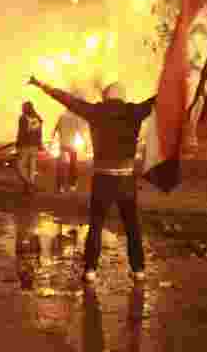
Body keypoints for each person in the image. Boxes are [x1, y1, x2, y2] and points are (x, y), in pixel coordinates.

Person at [29, 77, 155, 283]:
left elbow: (67, 100)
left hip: (103, 178)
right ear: (123, 96)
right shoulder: (135, 111)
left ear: (106, 97)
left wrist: (43, 86)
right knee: (132, 226)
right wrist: (179, 82)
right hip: (125, 179)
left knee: (96, 225)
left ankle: (90, 270)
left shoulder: (95, 111)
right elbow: (159, 100)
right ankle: (138, 269)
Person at [54, 105, 86, 193]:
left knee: (61, 166)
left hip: (63, 144)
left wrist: (53, 140)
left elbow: (56, 130)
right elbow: (80, 131)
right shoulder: (75, 118)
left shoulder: (61, 117)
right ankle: (72, 185)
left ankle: (60, 187)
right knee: (73, 165)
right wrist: (85, 142)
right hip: (72, 145)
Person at [15, 102, 44, 194]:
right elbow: (40, 133)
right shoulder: (38, 118)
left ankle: (30, 184)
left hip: (25, 146)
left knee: (19, 167)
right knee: (31, 169)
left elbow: (21, 133)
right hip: (34, 146)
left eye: (23, 107)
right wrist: (40, 144)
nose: (22, 109)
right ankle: (29, 188)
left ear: (26, 108)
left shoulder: (23, 118)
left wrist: (18, 144)